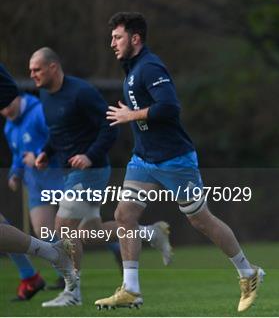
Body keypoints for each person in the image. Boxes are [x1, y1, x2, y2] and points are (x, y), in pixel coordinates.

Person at [95, 12, 264, 312]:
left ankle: (247, 272)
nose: (112, 43)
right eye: (111, 38)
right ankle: (131, 289)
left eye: (117, 37)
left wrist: (131, 116)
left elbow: (170, 107)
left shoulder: (149, 66)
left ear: (135, 38)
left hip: (174, 160)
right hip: (143, 158)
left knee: (200, 220)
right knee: (124, 215)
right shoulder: (132, 67)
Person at [29, 47, 172, 307]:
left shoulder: (81, 92)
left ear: (53, 67)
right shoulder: (45, 95)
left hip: (91, 171)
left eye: (37, 69)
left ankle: (73, 292)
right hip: (70, 172)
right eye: (30, 70)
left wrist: (89, 156)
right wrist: (46, 153)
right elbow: (58, 131)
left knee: (63, 226)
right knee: (89, 234)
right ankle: (150, 233)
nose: (32, 75)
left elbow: (110, 127)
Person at [0, 63, 77, 297]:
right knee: (45, 231)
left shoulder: (38, 112)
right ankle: (53, 266)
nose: (3, 110)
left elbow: (60, 138)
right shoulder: (9, 127)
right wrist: (16, 172)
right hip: (35, 184)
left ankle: (117, 244)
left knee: (83, 231)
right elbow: (17, 154)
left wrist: (42, 155)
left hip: (58, 178)